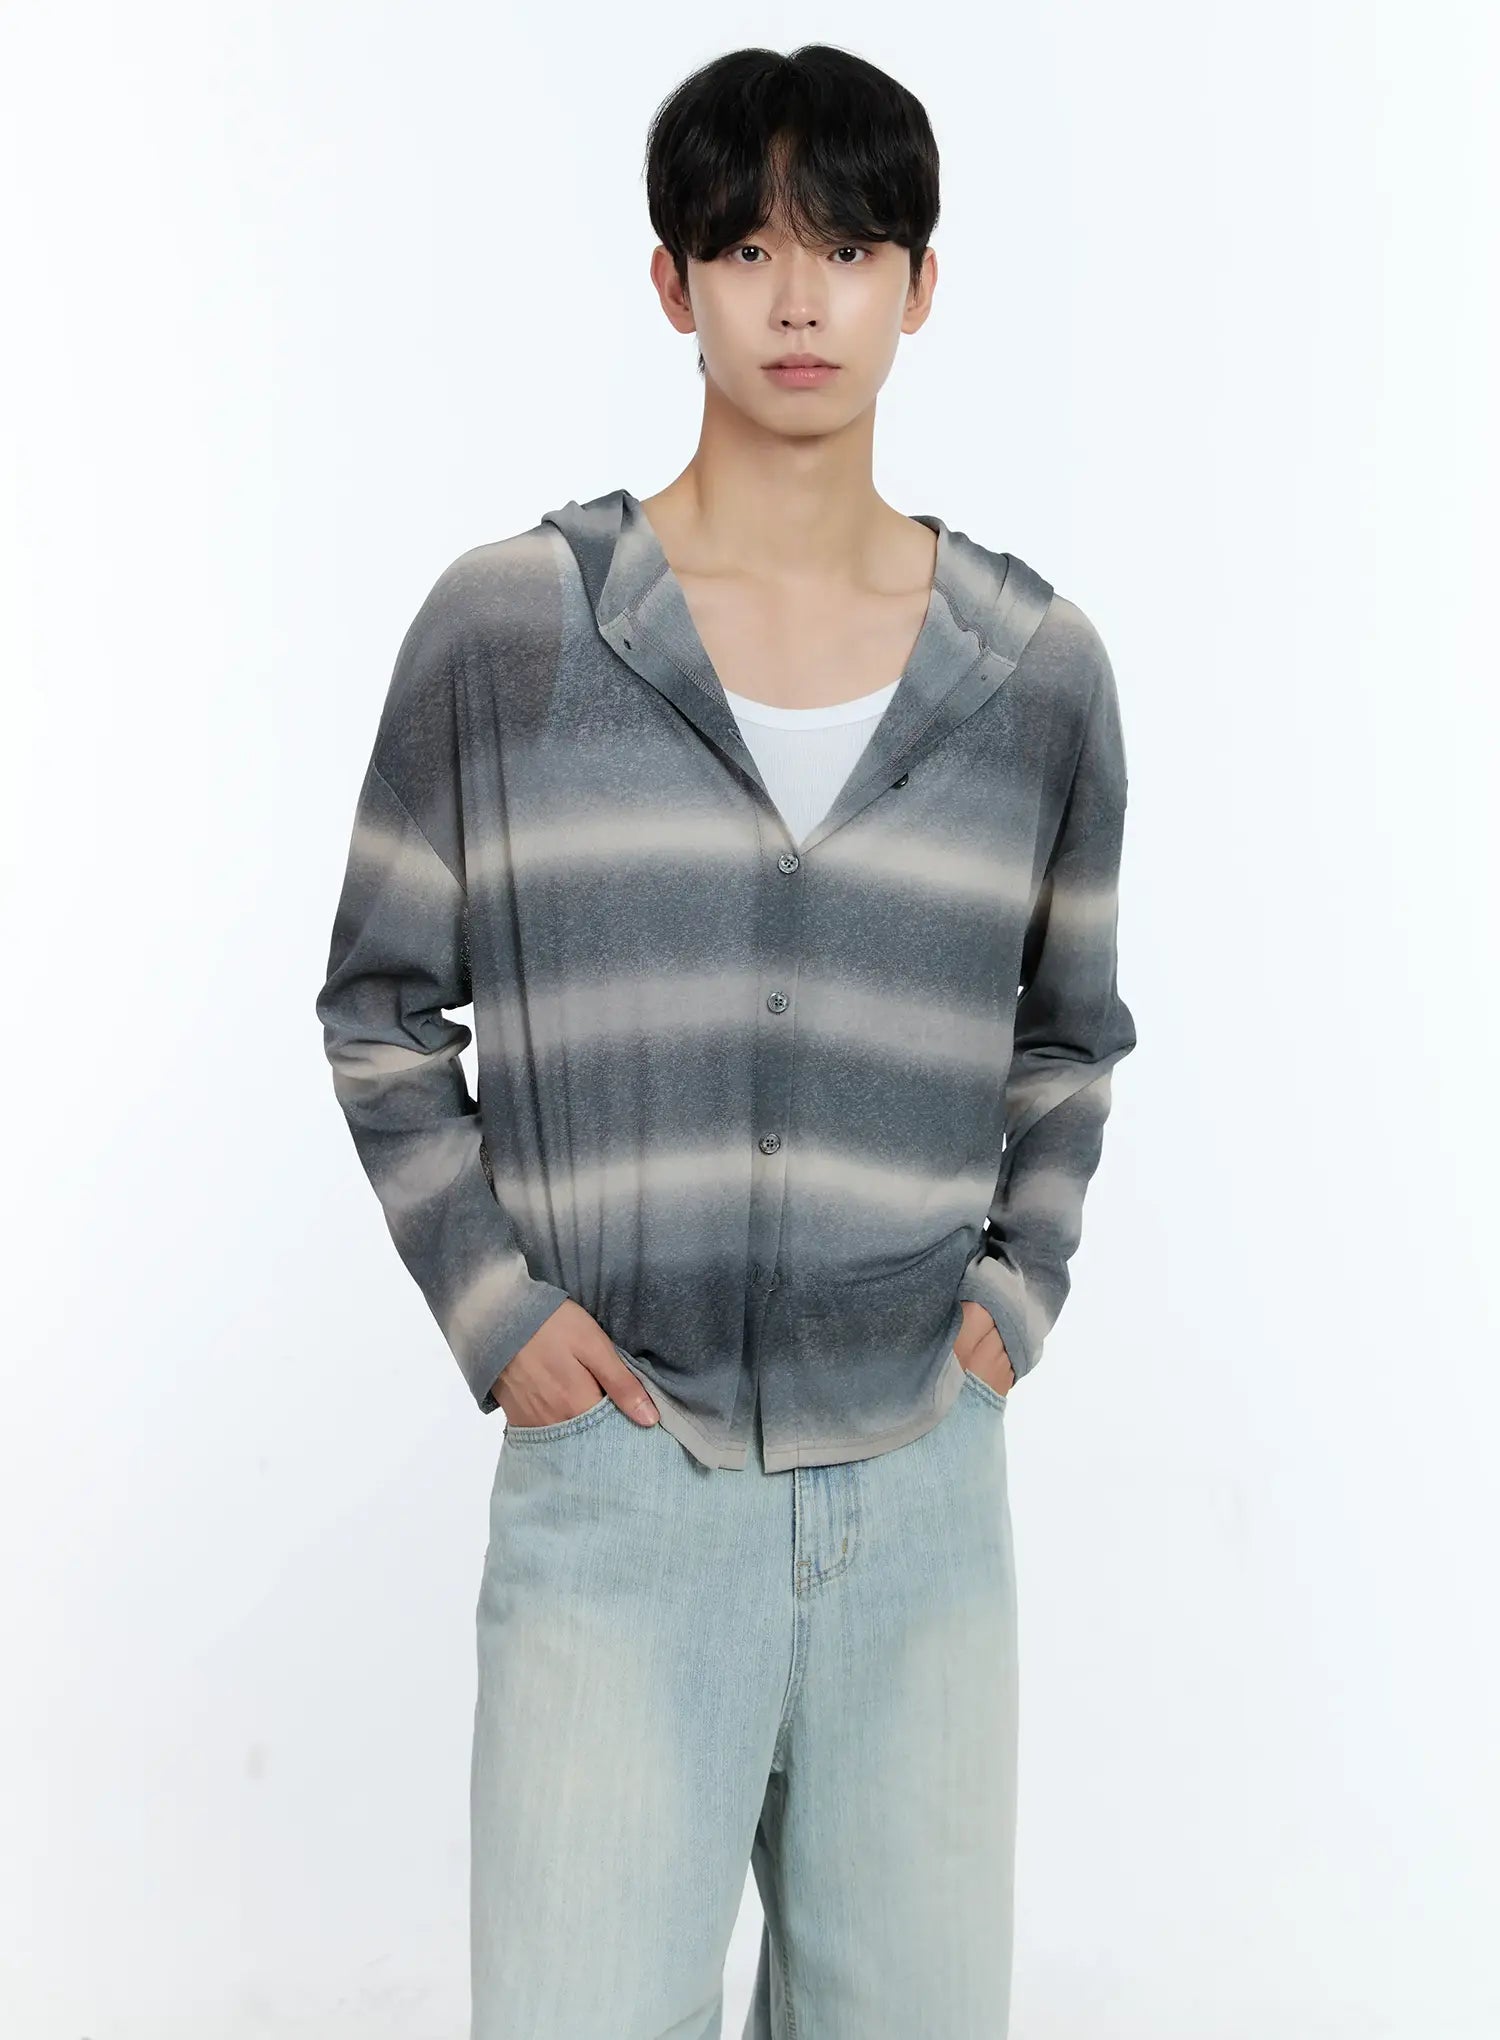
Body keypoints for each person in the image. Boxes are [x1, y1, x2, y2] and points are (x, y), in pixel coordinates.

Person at [316, 40, 1136, 2040]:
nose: (798, 299)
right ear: (671, 281)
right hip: (618, 1486)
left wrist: (1012, 1299)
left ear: (919, 286)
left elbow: (1070, 1033)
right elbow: (378, 1003)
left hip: (922, 1494)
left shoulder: (1035, 672)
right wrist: (502, 1314)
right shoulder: (513, 632)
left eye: (846, 248)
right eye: (749, 248)